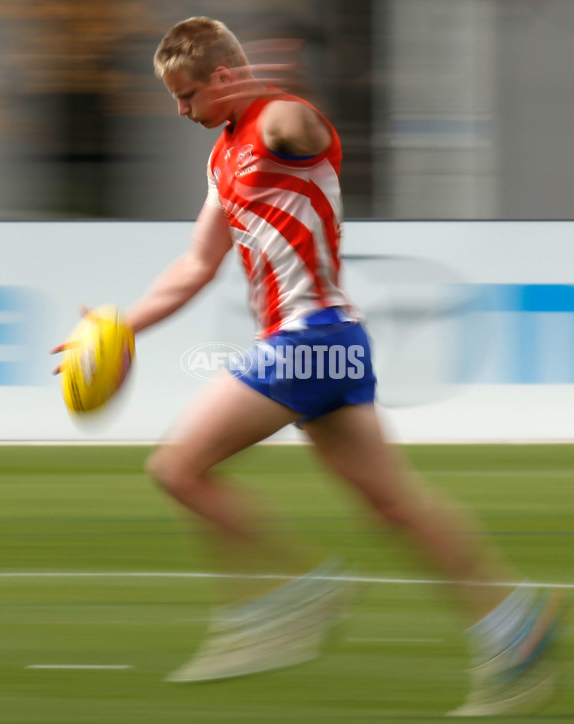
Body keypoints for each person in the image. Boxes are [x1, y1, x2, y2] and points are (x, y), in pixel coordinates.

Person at [53, 16, 563, 716]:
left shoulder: (280, 123)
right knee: (394, 506)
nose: (181, 111)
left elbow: (304, 127)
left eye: (189, 94)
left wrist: (278, 89)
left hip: (308, 340)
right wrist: (118, 326)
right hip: (336, 346)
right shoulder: (222, 158)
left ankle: (295, 591)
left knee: (177, 469)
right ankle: (515, 627)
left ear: (225, 79)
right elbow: (197, 265)